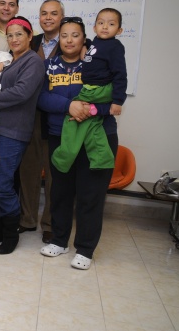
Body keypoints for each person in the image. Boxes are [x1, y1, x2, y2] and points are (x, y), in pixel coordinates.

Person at [38, 16, 119, 270]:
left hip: (96, 138)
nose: (69, 40)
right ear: (58, 40)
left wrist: (90, 109)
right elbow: (41, 98)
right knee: (60, 193)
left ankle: (85, 249)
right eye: (64, 35)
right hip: (61, 137)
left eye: (75, 35)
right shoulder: (49, 66)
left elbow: (113, 97)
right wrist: (69, 105)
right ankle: (59, 241)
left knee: (90, 196)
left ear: (85, 38)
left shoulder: (98, 64)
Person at [0, 16, 44, 255]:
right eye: (10, 35)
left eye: (19, 34)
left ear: (30, 36)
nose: (14, 39)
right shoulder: (10, 61)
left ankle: (10, 235)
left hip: (12, 132)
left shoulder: (33, 62)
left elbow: (22, 92)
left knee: (2, 184)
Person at [51, 9, 127, 174]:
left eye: (111, 24)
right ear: (94, 27)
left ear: (119, 30)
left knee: (74, 115)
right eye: (101, 23)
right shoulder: (95, 44)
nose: (105, 27)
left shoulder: (115, 47)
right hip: (91, 89)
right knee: (87, 121)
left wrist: (117, 101)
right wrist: (86, 46)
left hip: (100, 89)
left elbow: (120, 75)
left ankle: (66, 158)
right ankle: (98, 158)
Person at [18, 0, 64, 243]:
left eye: (53, 13)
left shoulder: (72, 42)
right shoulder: (31, 42)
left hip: (58, 117)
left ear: (61, 17)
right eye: (44, 13)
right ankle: (27, 219)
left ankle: (50, 223)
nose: (48, 17)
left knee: (55, 173)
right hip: (30, 116)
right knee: (28, 170)